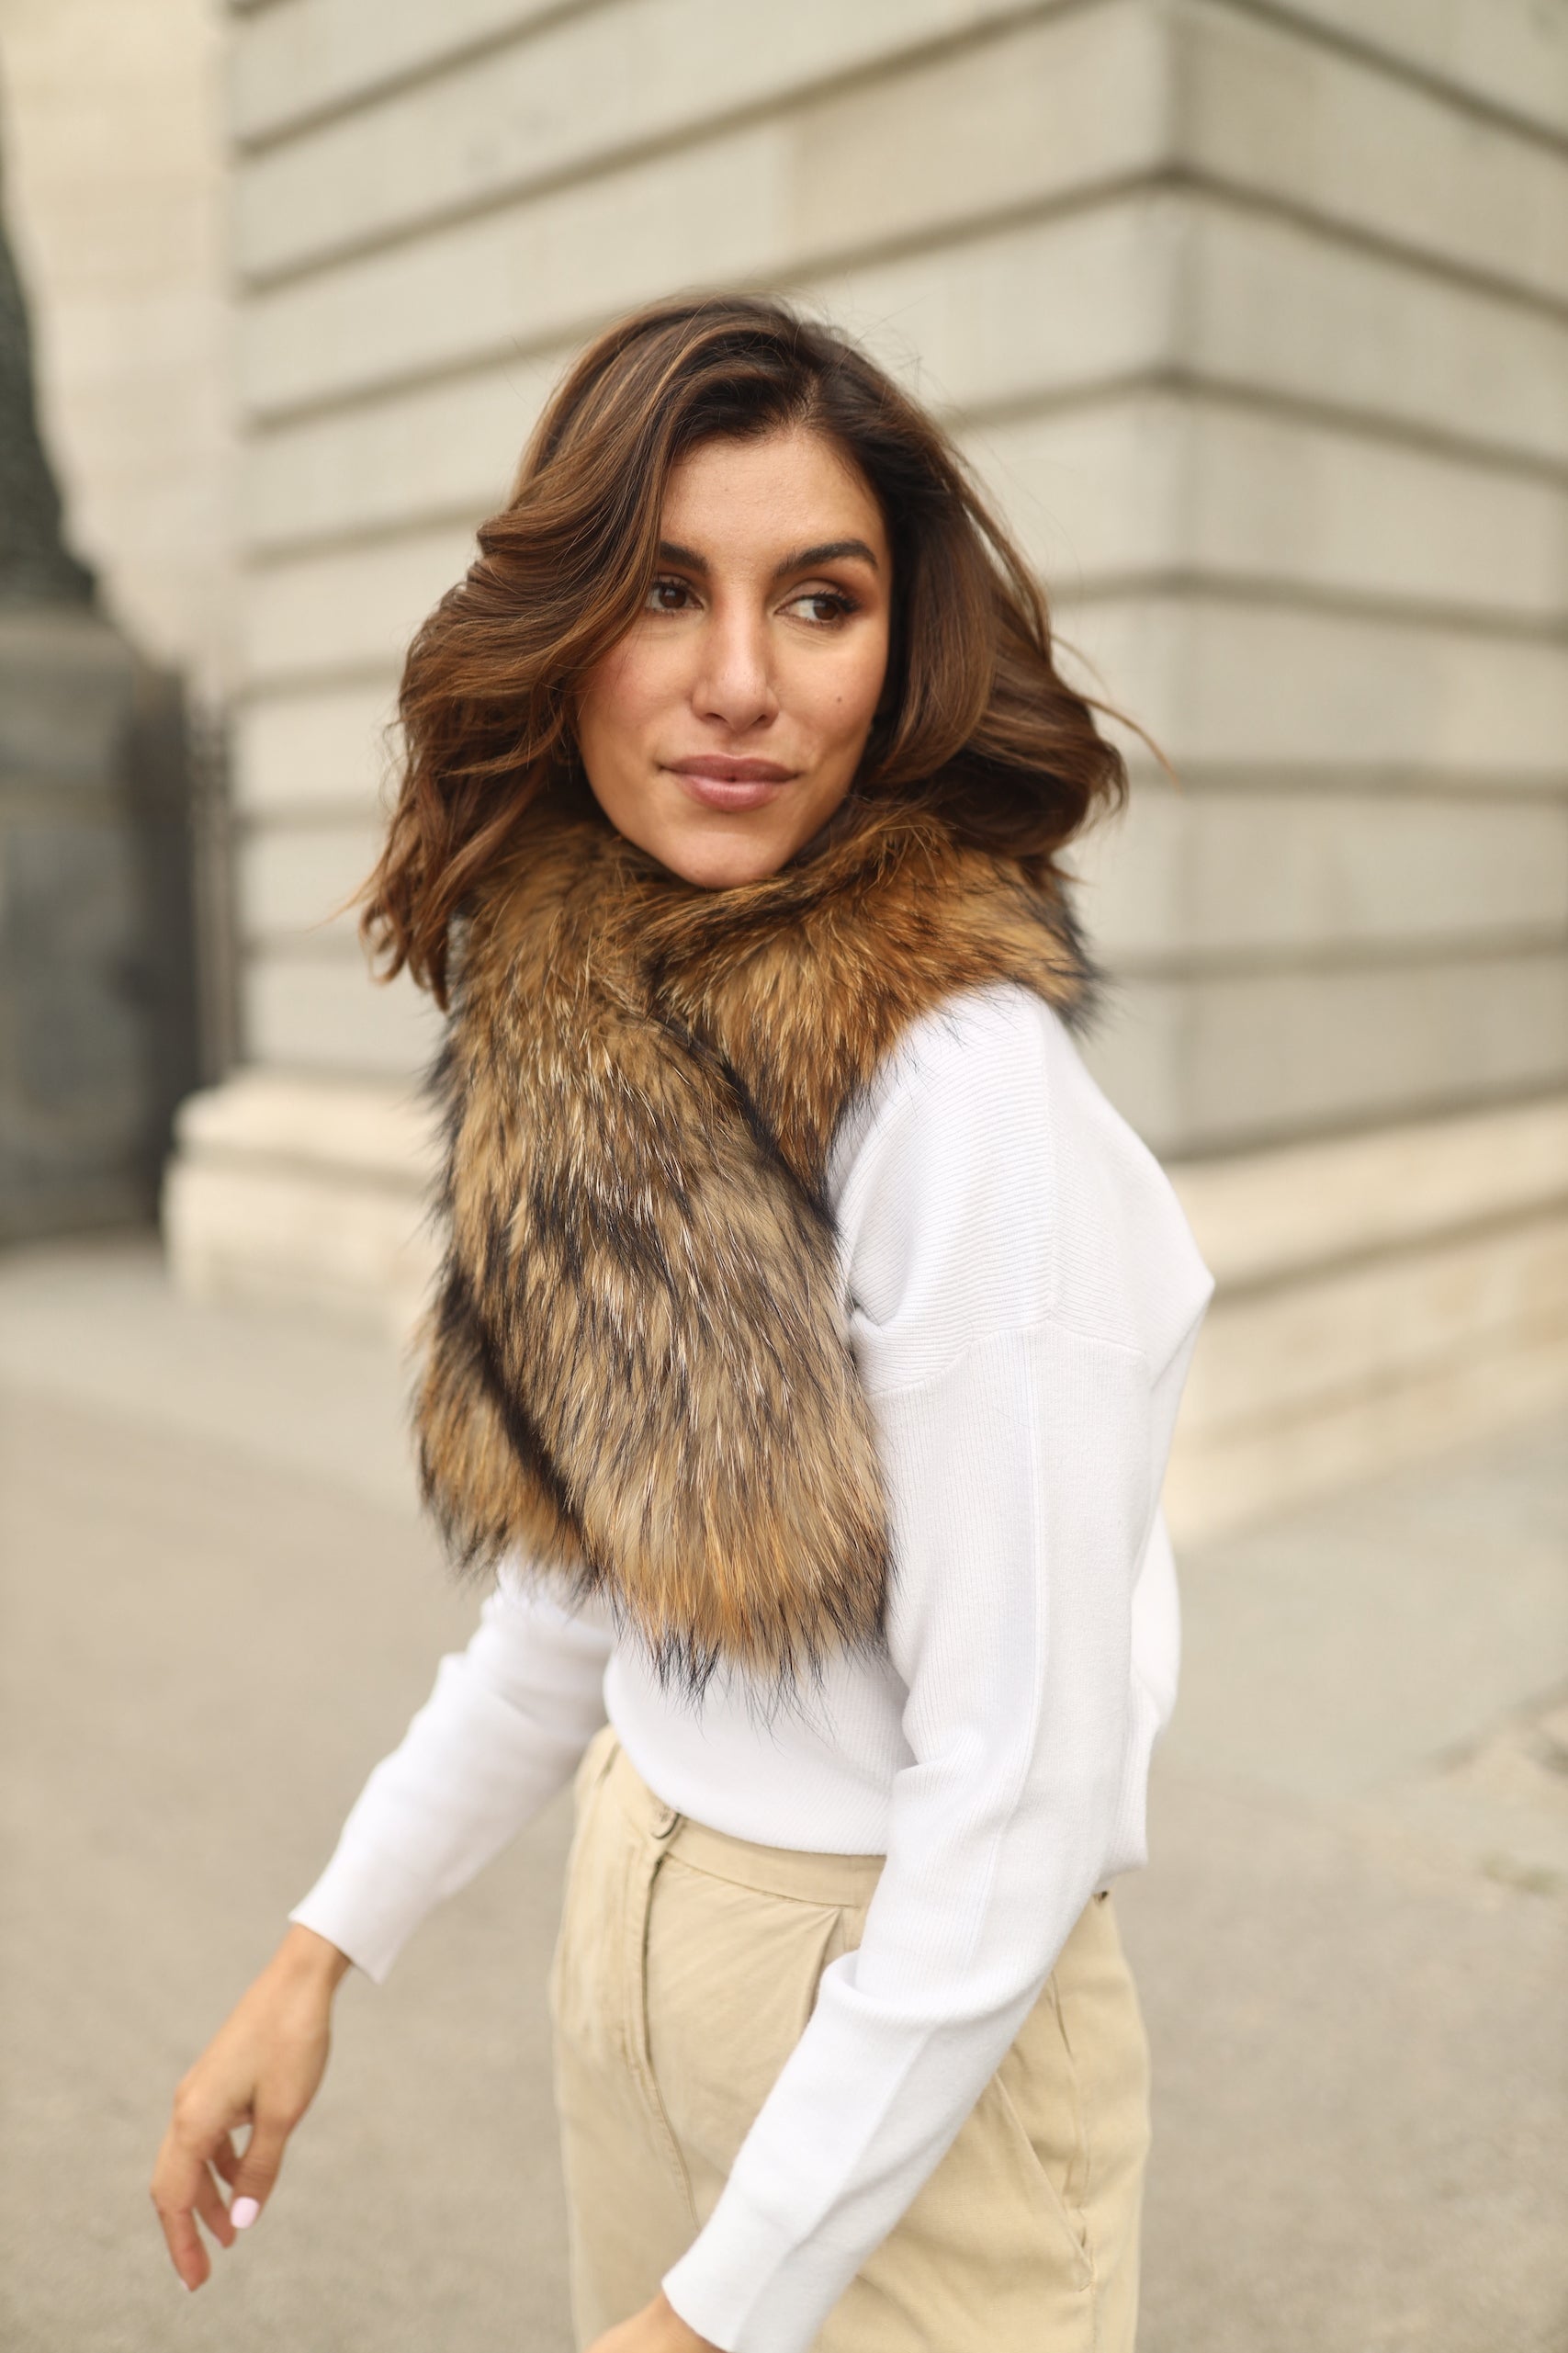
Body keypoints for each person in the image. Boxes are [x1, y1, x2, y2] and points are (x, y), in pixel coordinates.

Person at [150, 295, 1213, 2353]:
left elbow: (1020, 1784)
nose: (740, 683)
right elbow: (582, 1594)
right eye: (661, 591)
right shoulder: (598, 1016)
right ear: (561, 634)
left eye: (819, 601)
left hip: (909, 2040)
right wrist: (319, 1949)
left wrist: (719, 2308)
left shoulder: (957, 1094)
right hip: (637, 1953)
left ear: (900, 649)